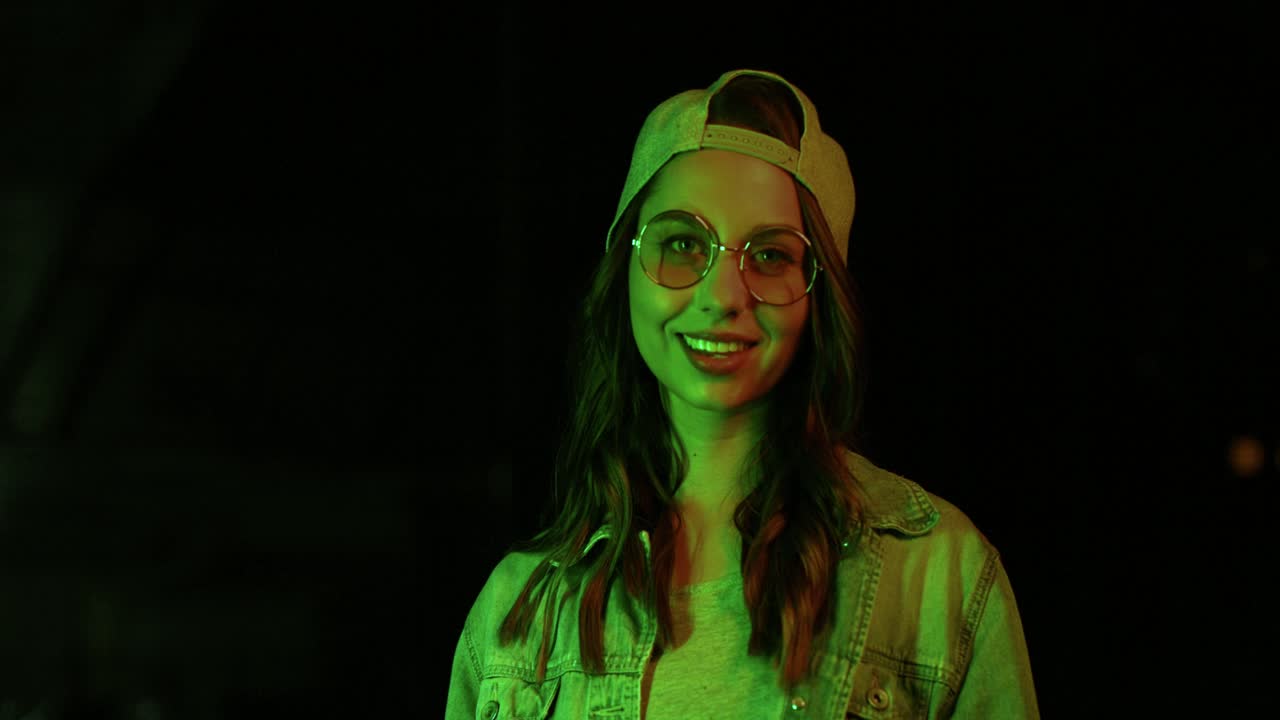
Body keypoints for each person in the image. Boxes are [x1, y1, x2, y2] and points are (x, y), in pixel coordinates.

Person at [446, 68, 1040, 719]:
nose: (722, 296)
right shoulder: (515, 619)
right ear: (625, 278)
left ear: (821, 299)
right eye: (680, 244)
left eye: (769, 256)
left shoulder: (939, 580)